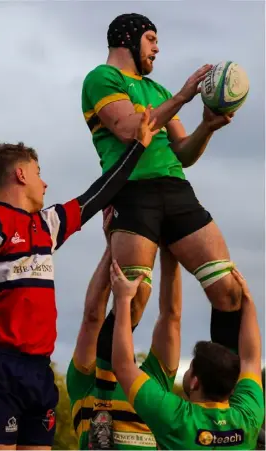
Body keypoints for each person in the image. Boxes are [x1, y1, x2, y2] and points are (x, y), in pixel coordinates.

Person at [0, 108, 157, 450]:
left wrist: (138, 146)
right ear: (21, 175)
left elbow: (98, 194)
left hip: (40, 370)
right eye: (39, 173)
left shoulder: (47, 225)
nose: (45, 181)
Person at [82, 13, 241, 367]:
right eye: (151, 39)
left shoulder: (159, 92)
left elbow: (183, 153)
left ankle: (222, 397)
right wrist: (184, 97)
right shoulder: (102, 78)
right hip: (132, 191)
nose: (157, 47)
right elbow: (128, 130)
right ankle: (103, 401)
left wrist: (207, 126)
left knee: (229, 290)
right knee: (133, 298)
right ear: (128, 39)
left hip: (176, 189)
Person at [111, 261, 264, 450]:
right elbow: (251, 359)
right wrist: (247, 300)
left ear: (195, 382)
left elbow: (123, 366)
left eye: (190, 367)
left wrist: (123, 299)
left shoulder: (176, 418)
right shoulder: (247, 418)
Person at [67, 214, 182, 450]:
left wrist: (171, 249)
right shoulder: (85, 382)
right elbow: (92, 318)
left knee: (135, 300)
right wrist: (112, 246)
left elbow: (171, 318)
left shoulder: (152, 383)